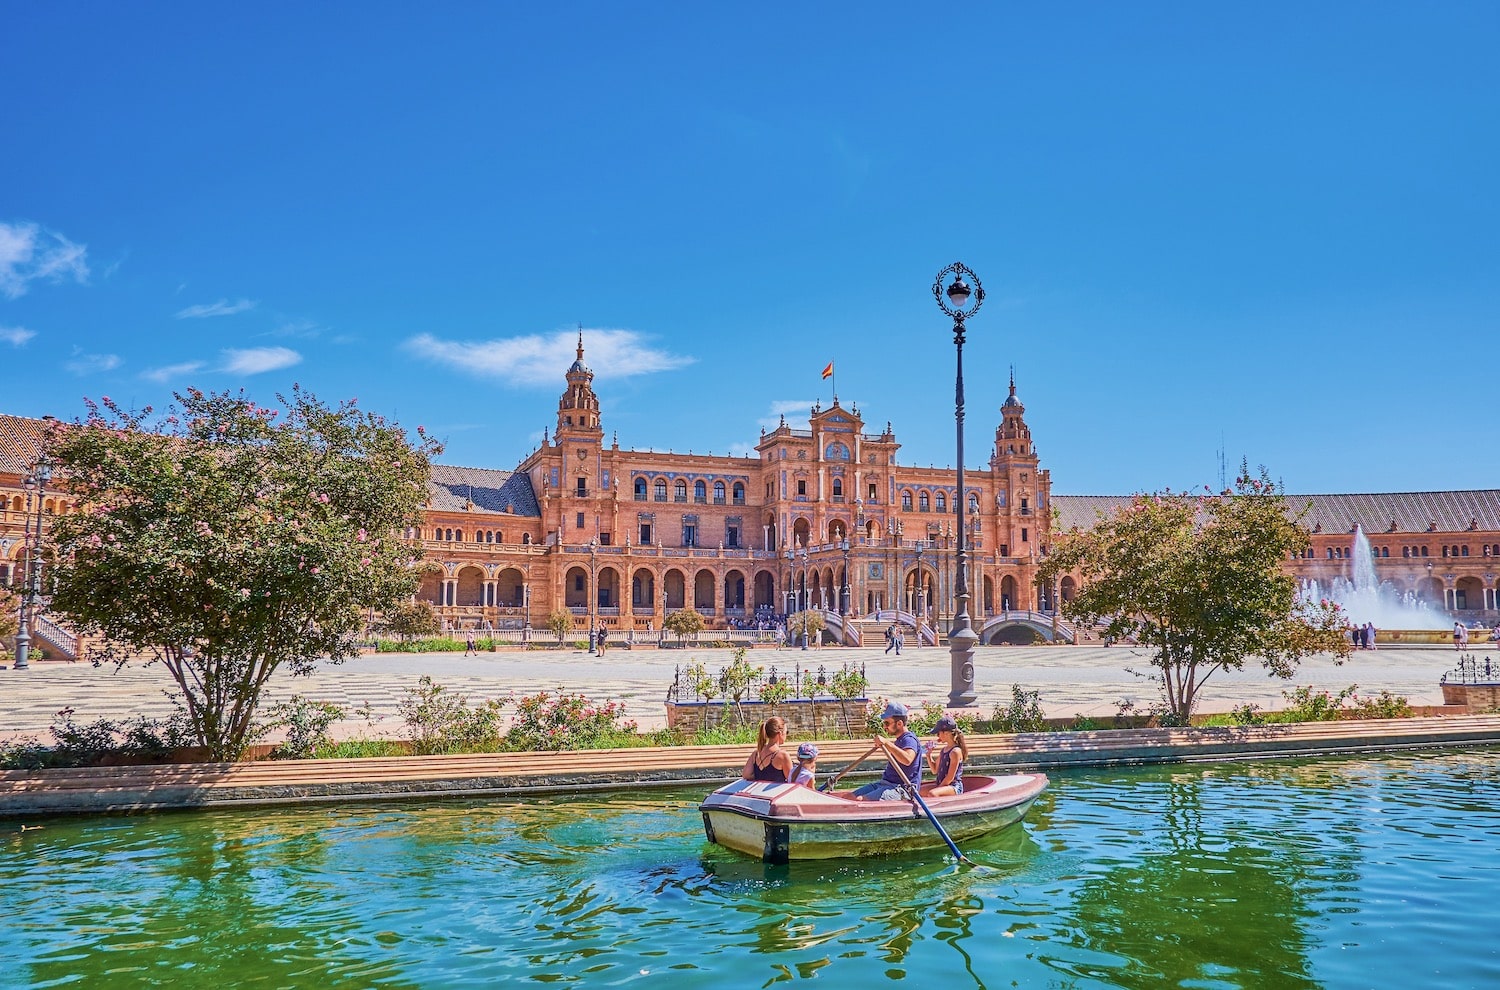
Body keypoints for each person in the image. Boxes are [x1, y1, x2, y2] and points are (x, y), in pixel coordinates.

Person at [851, 702, 923, 801]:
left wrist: (886, 743)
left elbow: (907, 759)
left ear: (899, 724)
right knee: (849, 797)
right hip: (885, 784)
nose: (885, 727)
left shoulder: (909, 740)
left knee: (860, 800)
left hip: (902, 789)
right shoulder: (899, 740)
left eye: (887, 723)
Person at [922, 716, 967, 797]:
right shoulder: (944, 750)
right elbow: (934, 770)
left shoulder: (955, 752)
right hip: (941, 785)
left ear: (946, 733)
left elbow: (950, 777)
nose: (938, 737)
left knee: (932, 793)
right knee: (918, 792)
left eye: (938, 734)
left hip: (953, 787)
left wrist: (937, 789)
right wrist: (928, 755)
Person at [742, 716, 793, 783]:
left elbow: (746, 775)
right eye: (787, 732)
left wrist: (762, 776)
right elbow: (792, 780)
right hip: (776, 792)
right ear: (780, 733)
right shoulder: (782, 755)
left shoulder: (756, 753)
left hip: (759, 792)